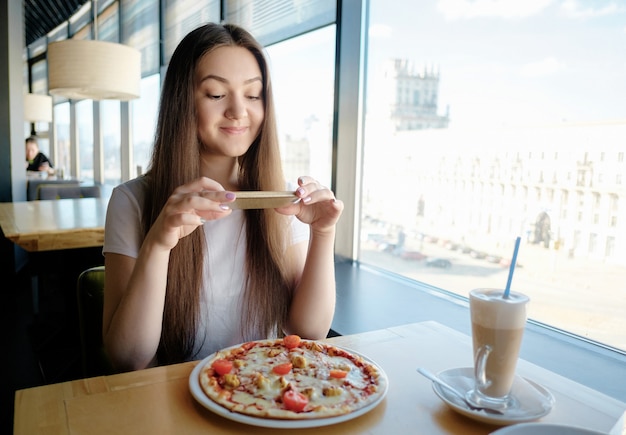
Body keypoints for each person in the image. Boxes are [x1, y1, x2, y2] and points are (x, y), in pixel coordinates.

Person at [102, 23, 344, 372]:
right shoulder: (133, 200)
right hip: (171, 401)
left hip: (258, 394)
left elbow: (309, 331)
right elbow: (128, 358)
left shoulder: (279, 200)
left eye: (253, 94)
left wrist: (323, 233)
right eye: (216, 94)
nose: (238, 111)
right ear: (182, 102)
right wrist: (158, 244)